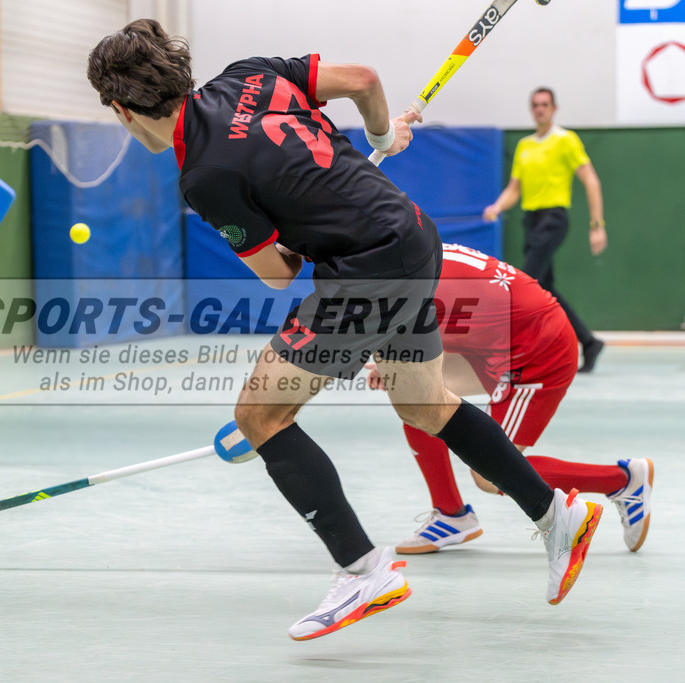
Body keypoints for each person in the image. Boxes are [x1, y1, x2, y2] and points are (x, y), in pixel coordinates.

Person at [87, 20, 603, 641]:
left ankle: (362, 569)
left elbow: (278, 275)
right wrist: (382, 135)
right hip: (414, 238)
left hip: (366, 272)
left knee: (260, 415)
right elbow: (363, 81)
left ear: (122, 109)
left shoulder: (202, 177)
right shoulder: (247, 75)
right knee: (423, 402)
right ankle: (554, 514)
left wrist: (294, 232)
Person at [364, 243, 652, 554]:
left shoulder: (396, 279)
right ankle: (452, 516)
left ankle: (623, 480)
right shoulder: (409, 250)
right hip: (499, 345)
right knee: (416, 396)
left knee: (489, 475)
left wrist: (391, 358)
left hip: (539, 353)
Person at [483, 87, 607, 373]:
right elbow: (515, 188)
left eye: (545, 105)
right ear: (531, 109)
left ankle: (517, 355)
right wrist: (498, 206)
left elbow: (591, 181)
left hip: (553, 219)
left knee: (525, 283)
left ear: (554, 108)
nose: (540, 109)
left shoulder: (566, 140)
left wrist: (597, 225)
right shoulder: (525, 146)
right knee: (545, 286)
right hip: (531, 221)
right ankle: (589, 342)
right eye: (535, 105)